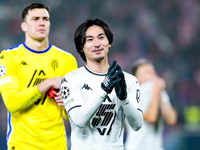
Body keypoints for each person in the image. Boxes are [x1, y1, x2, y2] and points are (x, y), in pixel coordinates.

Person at [0, 3, 78, 150]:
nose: (41, 22)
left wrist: (69, 101)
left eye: (45, 19)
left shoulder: (66, 60)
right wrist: (47, 83)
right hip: (22, 145)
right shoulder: (9, 57)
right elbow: (12, 103)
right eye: (35, 19)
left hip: (56, 145)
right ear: (24, 26)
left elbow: (71, 116)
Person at [60, 18, 143, 150]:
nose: (97, 44)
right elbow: (79, 120)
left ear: (109, 42)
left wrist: (124, 99)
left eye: (101, 37)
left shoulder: (128, 80)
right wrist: (104, 89)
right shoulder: (71, 79)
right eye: (90, 40)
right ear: (81, 47)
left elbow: (137, 125)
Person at [125, 58, 177, 150]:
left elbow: (171, 119)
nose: (153, 75)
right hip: (137, 147)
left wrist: (158, 93)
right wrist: (156, 90)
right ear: (137, 79)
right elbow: (151, 117)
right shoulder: (132, 95)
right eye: (148, 72)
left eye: (153, 72)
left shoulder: (156, 91)